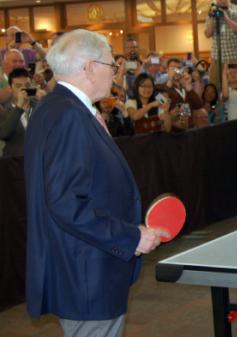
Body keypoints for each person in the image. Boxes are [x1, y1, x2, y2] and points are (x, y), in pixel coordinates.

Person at [24, 29, 164, 337]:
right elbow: (66, 202)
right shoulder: (69, 116)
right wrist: (130, 237)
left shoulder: (53, 108)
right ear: (89, 67)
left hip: (79, 267)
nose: (115, 73)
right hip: (86, 273)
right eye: (111, 65)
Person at [0, 68, 46, 157]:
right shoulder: (4, 110)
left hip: (38, 158)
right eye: (18, 86)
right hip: (13, 162)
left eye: (27, 85)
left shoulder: (39, 106)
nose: (23, 89)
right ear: (10, 88)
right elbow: (4, 134)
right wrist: (18, 108)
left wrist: (45, 103)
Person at [204, 0, 237, 86]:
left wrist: (226, 18)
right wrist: (212, 18)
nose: (222, 1)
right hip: (217, 58)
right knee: (215, 85)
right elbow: (208, 34)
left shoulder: (236, 14)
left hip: (234, 57)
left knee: (235, 85)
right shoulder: (211, 15)